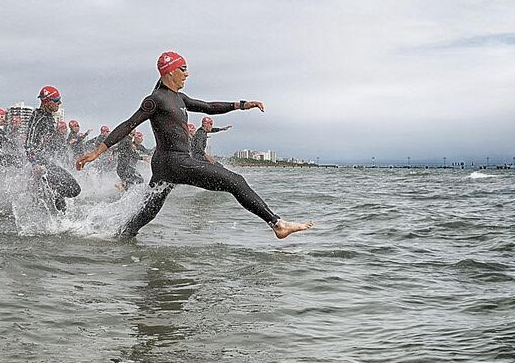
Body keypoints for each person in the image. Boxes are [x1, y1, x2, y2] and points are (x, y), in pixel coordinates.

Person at [76, 51, 313, 239]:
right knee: (236, 181)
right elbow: (128, 125)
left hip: (166, 164)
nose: (187, 74)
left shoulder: (179, 98)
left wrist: (241, 104)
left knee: (152, 206)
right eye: (183, 69)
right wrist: (97, 152)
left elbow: (208, 106)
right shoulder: (155, 99)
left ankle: (123, 235)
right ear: (169, 72)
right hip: (174, 160)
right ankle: (277, 224)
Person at [24, 86, 81, 210]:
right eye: (56, 100)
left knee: (74, 189)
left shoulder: (49, 117)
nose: (59, 103)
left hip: (48, 163)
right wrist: (34, 164)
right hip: (41, 165)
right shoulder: (37, 117)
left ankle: (54, 198)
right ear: (46, 101)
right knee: (70, 190)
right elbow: (28, 144)